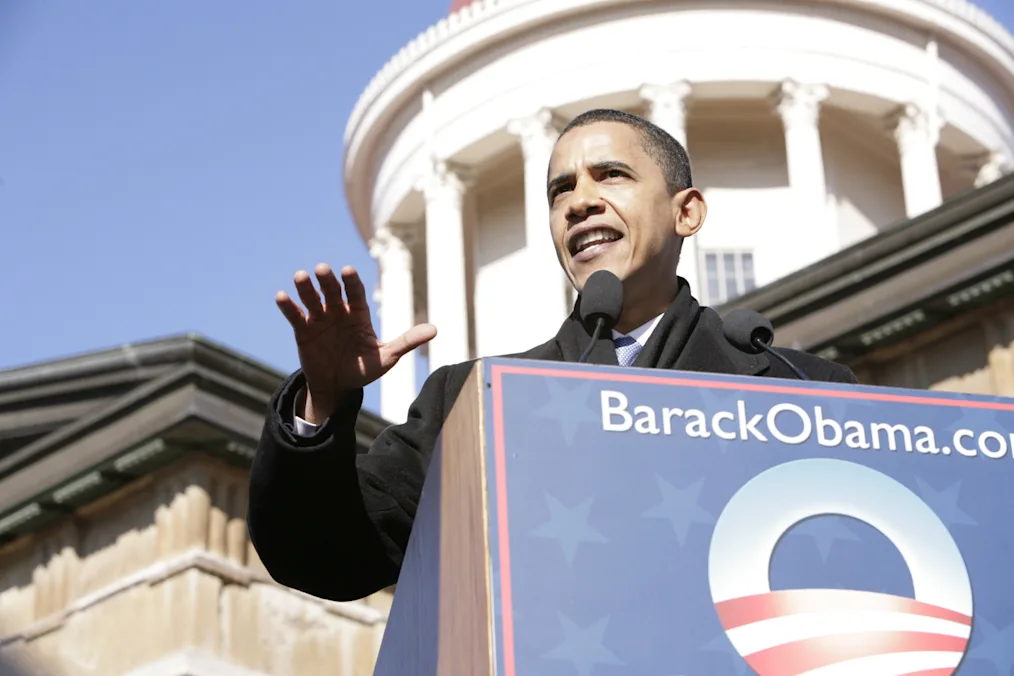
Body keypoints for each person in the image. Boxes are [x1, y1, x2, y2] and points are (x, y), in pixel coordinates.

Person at [246, 108, 857, 602]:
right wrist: (322, 406)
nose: (579, 201)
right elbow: (329, 557)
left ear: (686, 211)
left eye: (610, 175)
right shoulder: (475, 401)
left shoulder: (799, 390)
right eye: (561, 189)